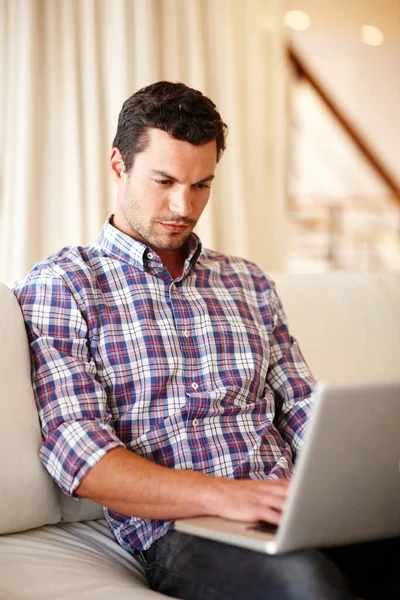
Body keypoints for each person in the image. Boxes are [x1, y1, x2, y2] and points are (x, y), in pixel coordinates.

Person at [15, 81, 398, 600]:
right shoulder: (66, 283)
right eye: (164, 180)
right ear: (117, 166)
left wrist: (355, 484)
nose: (183, 204)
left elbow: (303, 407)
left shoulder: (247, 280)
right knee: (309, 588)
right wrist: (229, 497)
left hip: (284, 506)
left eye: (201, 185)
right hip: (181, 531)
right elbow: (80, 457)